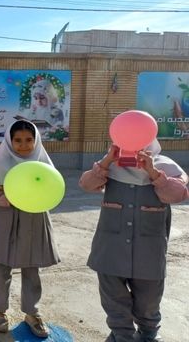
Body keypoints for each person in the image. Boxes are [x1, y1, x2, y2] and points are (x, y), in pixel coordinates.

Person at [79, 137, 188, 342]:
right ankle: (122, 335)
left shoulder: (165, 165)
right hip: (111, 247)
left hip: (149, 249)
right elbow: (86, 184)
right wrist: (106, 161)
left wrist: (154, 173)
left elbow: (179, 194)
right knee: (113, 297)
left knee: (148, 299)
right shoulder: (109, 166)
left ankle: (148, 334)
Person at [0, 119, 60, 338]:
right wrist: (15, 197)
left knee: (32, 266)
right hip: (7, 218)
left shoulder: (43, 163)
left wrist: (36, 198)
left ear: (36, 141)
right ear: (9, 140)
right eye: (18, 140)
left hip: (34, 219)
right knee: (2, 266)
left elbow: (51, 189)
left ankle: (32, 312)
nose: (24, 145)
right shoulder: (2, 161)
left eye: (29, 140)